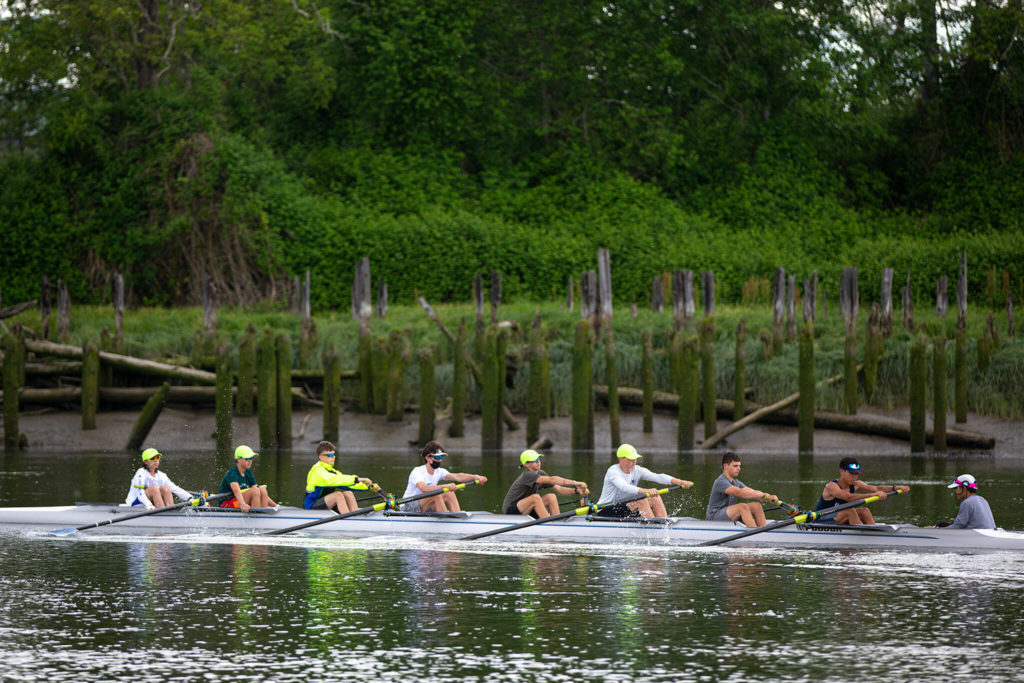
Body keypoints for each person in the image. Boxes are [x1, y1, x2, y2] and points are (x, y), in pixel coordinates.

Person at [595, 444, 693, 519]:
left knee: (655, 497)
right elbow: (624, 487)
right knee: (641, 499)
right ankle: (653, 529)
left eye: (635, 459)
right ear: (620, 459)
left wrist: (680, 482)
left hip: (624, 507)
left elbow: (658, 477)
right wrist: (645, 491)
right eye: (631, 459)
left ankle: (663, 524)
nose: (634, 461)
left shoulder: (637, 470)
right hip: (606, 509)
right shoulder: (613, 471)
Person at [813, 457, 909, 525]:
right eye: (851, 473)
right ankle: (861, 538)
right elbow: (848, 497)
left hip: (838, 518)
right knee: (850, 510)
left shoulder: (856, 485)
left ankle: (874, 537)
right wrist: (873, 495)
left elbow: (877, 488)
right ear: (842, 471)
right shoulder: (832, 486)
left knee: (864, 511)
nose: (854, 477)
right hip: (821, 519)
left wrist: (895, 488)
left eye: (856, 474)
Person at [401, 441, 487, 513]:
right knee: (436, 494)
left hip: (425, 503)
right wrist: (445, 486)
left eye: (441, 457)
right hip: (408, 505)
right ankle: (447, 524)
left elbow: (458, 476)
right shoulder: (417, 471)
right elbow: (423, 488)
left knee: (449, 493)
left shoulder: (439, 471)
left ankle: (457, 518)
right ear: (428, 458)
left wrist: (475, 477)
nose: (440, 460)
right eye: (437, 457)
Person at [500, 449, 590, 518]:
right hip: (511, 511)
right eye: (534, 460)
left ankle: (557, 522)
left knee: (551, 496)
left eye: (538, 458)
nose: (538, 461)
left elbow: (559, 489)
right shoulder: (527, 475)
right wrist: (575, 482)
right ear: (526, 464)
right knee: (535, 498)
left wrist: (577, 490)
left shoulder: (541, 473)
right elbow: (552, 480)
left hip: (528, 508)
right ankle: (549, 525)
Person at [705, 451, 780, 526]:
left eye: (739, 466)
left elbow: (751, 491)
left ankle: (763, 531)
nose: (739, 468)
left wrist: (767, 496)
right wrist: (759, 496)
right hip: (713, 517)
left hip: (729, 515)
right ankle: (755, 534)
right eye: (735, 466)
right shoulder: (720, 481)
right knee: (742, 507)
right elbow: (739, 492)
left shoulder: (736, 482)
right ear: (725, 466)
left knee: (756, 506)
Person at [303, 440, 376, 513]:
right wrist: (357, 479)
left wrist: (369, 486)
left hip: (326, 502)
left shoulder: (331, 471)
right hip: (311, 506)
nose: (333, 457)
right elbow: (334, 479)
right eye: (330, 455)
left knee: (348, 492)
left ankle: (355, 516)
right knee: (338, 495)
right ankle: (349, 520)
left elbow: (346, 482)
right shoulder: (317, 471)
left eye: (334, 455)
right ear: (321, 457)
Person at [125, 448, 194, 509]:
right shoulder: (141, 473)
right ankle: (164, 514)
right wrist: (149, 505)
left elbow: (175, 489)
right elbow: (140, 493)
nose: (156, 461)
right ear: (145, 462)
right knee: (153, 489)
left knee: (165, 488)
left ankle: (170, 511)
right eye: (152, 458)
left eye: (157, 458)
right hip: (136, 504)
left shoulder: (162, 475)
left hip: (153, 505)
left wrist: (190, 498)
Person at [219, 445, 277, 512]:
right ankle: (256, 516)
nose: (250, 461)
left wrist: (276, 506)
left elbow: (260, 491)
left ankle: (263, 515)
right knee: (255, 491)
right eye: (247, 458)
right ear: (238, 459)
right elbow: (236, 491)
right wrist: (242, 504)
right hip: (227, 504)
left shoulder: (248, 472)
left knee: (262, 489)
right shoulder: (232, 473)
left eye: (251, 458)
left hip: (240, 501)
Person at [932, 474, 996, 530]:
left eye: (957, 488)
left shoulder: (967, 502)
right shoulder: (982, 499)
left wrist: (935, 529)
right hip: (990, 531)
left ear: (964, 488)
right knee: (942, 524)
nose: (956, 492)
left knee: (941, 526)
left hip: (978, 535)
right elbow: (959, 524)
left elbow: (957, 526)